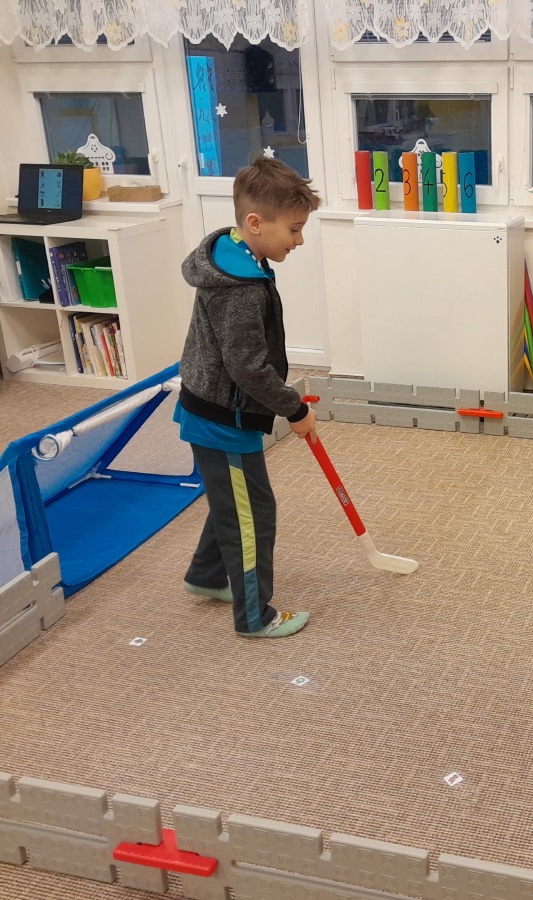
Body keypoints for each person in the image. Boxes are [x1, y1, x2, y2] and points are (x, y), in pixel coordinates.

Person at [175, 157, 322, 638]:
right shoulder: (239, 287)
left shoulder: (238, 255)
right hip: (223, 418)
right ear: (256, 223)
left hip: (217, 409)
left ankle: (207, 575)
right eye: (294, 230)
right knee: (253, 516)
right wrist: (293, 407)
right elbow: (247, 366)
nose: (299, 241)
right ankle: (255, 616)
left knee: (232, 503)